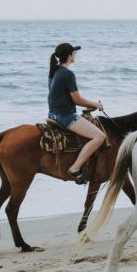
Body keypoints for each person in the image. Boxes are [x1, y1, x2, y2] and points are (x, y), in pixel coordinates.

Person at [47, 43, 106, 184]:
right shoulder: (67, 74)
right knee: (99, 136)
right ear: (69, 56)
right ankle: (75, 168)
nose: (75, 55)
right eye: (74, 53)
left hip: (53, 114)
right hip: (65, 115)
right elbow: (77, 100)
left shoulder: (54, 72)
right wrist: (96, 104)